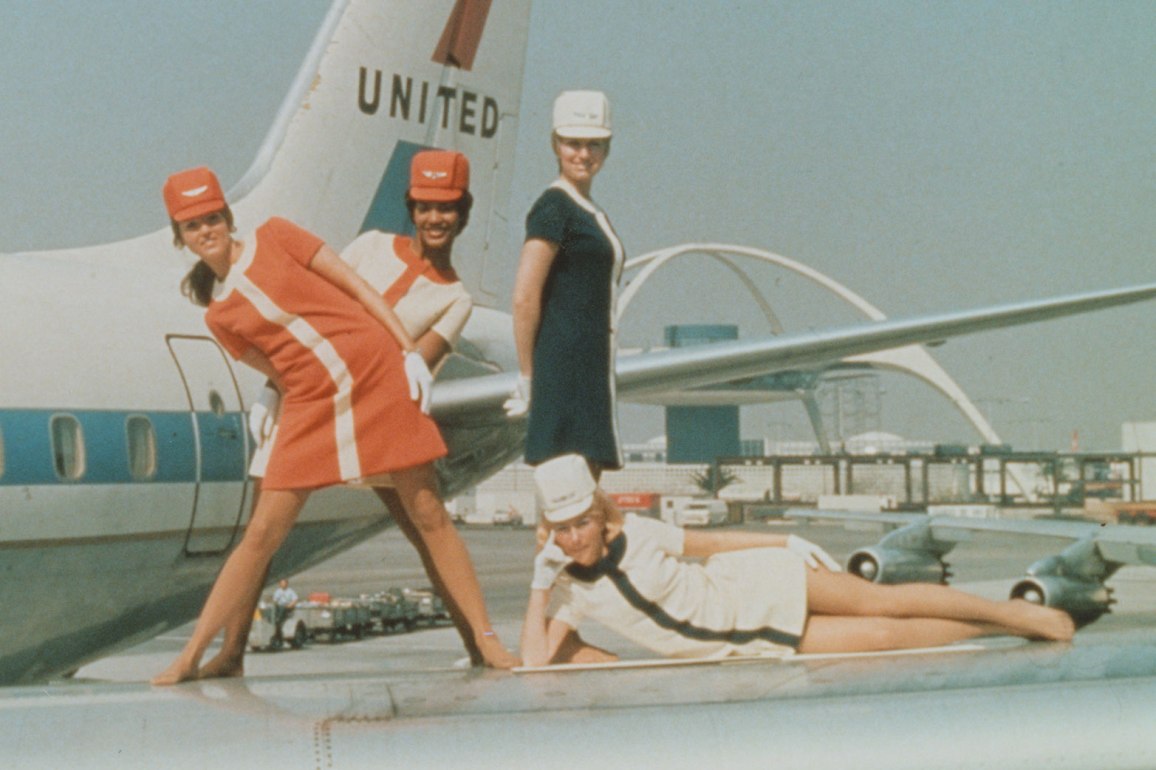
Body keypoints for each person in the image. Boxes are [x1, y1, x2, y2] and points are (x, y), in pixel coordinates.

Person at [152, 163, 515, 685]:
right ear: (180, 237)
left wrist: (407, 352)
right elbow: (272, 364)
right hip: (312, 403)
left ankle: (486, 640)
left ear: (229, 217)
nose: (206, 229)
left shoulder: (277, 234)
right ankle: (197, 655)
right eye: (192, 225)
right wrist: (271, 394)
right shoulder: (219, 315)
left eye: (212, 217)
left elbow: (357, 293)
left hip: (379, 384)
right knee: (260, 534)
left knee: (428, 516)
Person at [520, 454, 1076, 667]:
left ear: (600, 514)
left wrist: (782, 542)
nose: (574, 539)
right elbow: (535, 661)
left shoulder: (638, 531)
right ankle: (997, 624)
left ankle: (1015, 616)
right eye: (562, 529)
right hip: (750, 637)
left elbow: (708, 545)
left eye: (582, 523)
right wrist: (541, 587)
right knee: (886, 636)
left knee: (885, 600)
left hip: (758, 582)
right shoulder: (570, 589)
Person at [508, 90, 625, 476]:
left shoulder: (585, 209)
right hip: (564, 375)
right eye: (573, 143)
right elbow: (525, 297)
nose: (583, 154)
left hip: (588, 373)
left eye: (594, 144)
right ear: (555, 145)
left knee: (583, 498)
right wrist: (529, 378)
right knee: (567, 499)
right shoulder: (554, 207)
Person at [270, 579, 298, 644]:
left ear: (287, 584)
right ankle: (271, 619)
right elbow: (275, 600)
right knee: (272, 608)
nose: (283, 585)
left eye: (285, 583)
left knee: (282, 608)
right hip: (280, 606)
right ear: (279, 584)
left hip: (287, 607)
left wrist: (290, 605)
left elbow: (295, 599)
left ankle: (278, 620)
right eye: (282, 583)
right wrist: (275, 604)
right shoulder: (278, 591)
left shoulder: (290, 591)